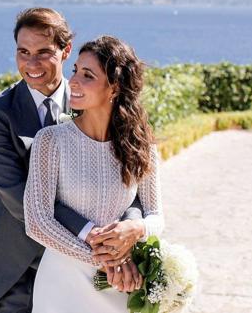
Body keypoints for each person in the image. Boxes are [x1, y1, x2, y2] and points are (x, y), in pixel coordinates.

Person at [0, 8, 146, 313]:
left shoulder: (94, 100)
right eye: (23, 52)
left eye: (43, 52)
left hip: (88, 267)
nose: (31, 63)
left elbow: (128, 180)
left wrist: (128, 231)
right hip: (19, 267)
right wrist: (92, 239)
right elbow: (18, 197)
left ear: (66, 52)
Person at [24, 35, 164, 312]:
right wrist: (108, 260)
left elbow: (156, 216)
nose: (73, 81)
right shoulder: (50, 140)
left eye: (87, 75)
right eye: (75, 70)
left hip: (119, 285)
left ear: (114, 87)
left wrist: (138, 229)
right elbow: (37, 221)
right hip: (64, 283)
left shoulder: (141, 146)